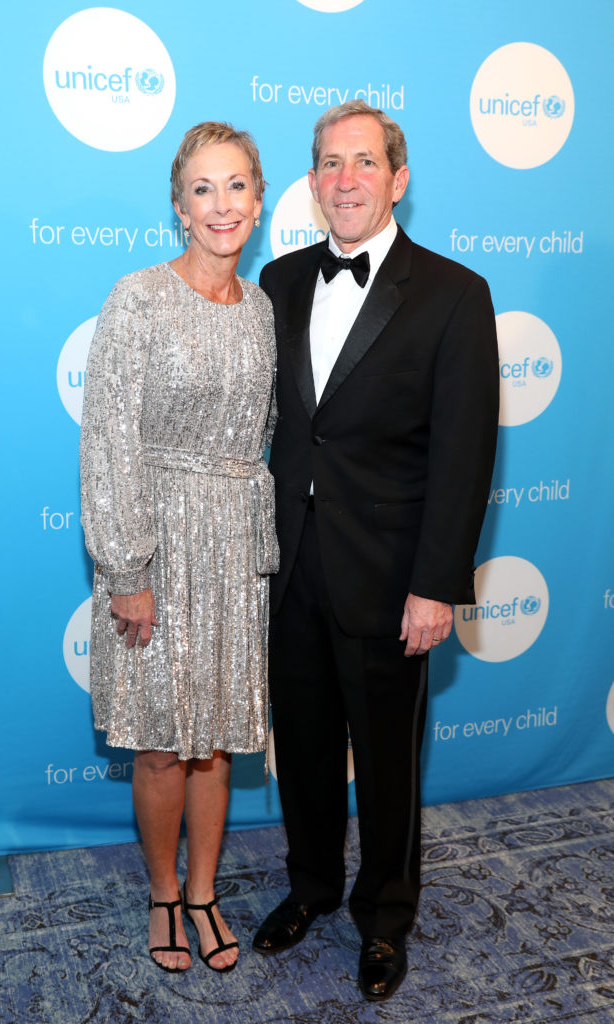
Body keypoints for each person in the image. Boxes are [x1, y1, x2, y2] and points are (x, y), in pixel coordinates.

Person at [252, 100, 499, 1002]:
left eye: (363, 162)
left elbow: (463, 454)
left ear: (397, 179)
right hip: (289, 565)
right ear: (311, 181)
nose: (345, 179)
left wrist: (436, 585)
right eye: (329, 162)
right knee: (303, 746)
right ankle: (311, 885)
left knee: (389, 761)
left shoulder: (453, 293)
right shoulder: (277, 281)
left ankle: (386, 914)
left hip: (392, 576)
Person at [79, 122, 277, 975]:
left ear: (259, 201)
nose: (220, 205)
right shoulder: (138, 298)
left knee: (217, 740)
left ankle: (203, 893)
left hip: (233, 550)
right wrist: (126, 568)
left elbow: (271, 431)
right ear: (178, 206)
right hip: (156, 546)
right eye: (202, 188)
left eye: (235, 186)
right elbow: (108, 440)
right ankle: (163, 894)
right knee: (160, 742)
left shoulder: (263, 308)